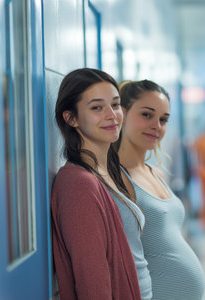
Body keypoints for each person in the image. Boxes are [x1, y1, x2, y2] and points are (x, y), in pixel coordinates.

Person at [51, 68, 142, 300]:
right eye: (96, 108)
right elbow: (92, 282)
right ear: (70, 118)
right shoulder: (78, 185)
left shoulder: (109, 171)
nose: (112, 115)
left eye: (115, 104)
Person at [115, 79, 205, 300]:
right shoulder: (116, 179)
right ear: (122, 114)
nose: (157, 126)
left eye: (164, 119)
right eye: (147, 115)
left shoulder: (155, 172)